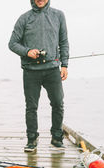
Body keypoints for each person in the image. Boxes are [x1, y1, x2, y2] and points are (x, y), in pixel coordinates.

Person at [8, 0, 69, 152]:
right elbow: (12, 43)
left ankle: (56, 138)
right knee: (31, 107)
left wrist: (65, 65)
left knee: (58, 103)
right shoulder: (24, 18)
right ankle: (31, 139)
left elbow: (64, 42)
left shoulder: (59, 15)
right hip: (30, 70)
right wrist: (27, 51)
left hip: (53, 69)